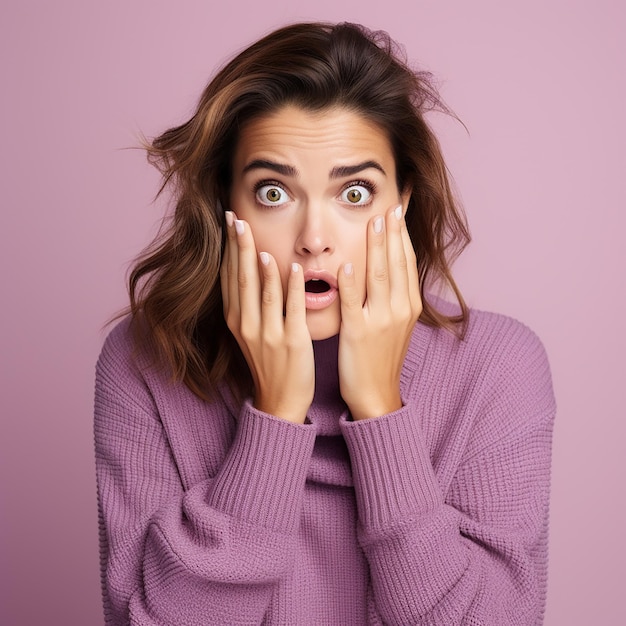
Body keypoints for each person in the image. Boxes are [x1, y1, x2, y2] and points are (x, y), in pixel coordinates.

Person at [94, 21, 556, 625]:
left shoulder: (498, 366)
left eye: (355, 193)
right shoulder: (146, 360)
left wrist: (381, 412)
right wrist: (276, 418)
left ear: (404, 200)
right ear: (225, 201)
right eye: (273, 193)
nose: (314, 240)